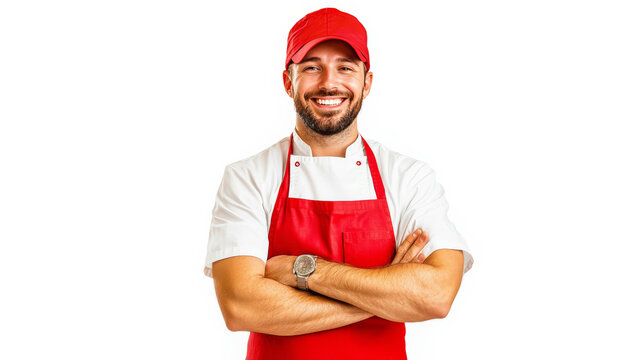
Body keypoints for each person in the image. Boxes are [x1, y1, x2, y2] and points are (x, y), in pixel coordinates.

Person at [204, 7, 473, 360]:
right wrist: (386, 292)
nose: (329, 82)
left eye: (345, 67)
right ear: (288, 81)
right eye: (312, 67)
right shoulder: (248, 177)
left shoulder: (408, 178)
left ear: (367, 82)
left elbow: (436, 296)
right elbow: (240, 306)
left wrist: (304, 270)